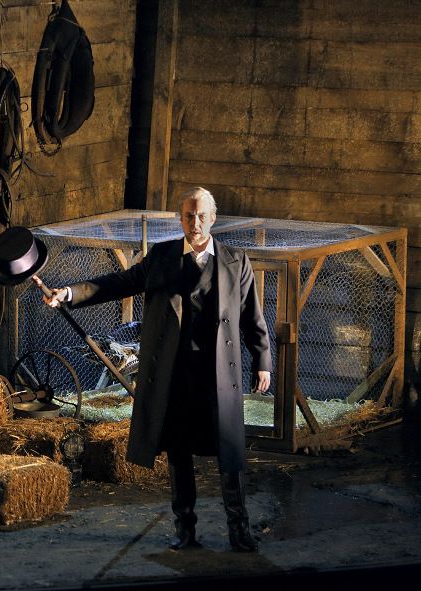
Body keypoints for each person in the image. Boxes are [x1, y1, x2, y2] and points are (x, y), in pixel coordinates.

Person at [39, 187, 272, 552]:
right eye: (187, 216)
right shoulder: (162, 257)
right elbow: (117, 284)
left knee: (229, 451)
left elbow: (252, 317)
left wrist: (262, 362)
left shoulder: (235, 261)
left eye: (200, 216)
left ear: (212, 219)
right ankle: (185, 530)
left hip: (217, 375)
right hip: (174, 373)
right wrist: (68, 293)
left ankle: (239, 529)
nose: (194, 223)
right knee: (178, 451)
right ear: (181, 219)